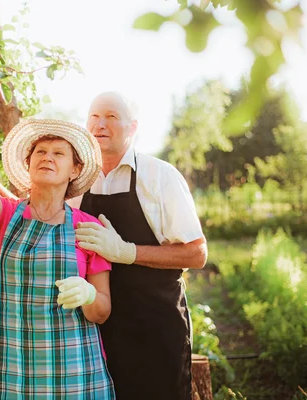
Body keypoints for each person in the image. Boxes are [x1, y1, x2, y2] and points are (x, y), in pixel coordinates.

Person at [0, 83, 115, 399]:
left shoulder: (86, 229)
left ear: (75, 170)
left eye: (59, 153)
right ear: (28, 163)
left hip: (74, 368)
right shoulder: (5, 217)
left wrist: (89, 295)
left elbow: (102, 311)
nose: (47, 157)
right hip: (10, 362)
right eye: (40, 152)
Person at [69, 91, 208, 400]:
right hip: (94, 327)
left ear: (132, 128)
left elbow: (197, 253)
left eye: (111, 117)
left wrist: (127, 252)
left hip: (154, 327)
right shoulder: (75, 180)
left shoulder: (159, 176)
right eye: (93, 116)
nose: (100, 124)